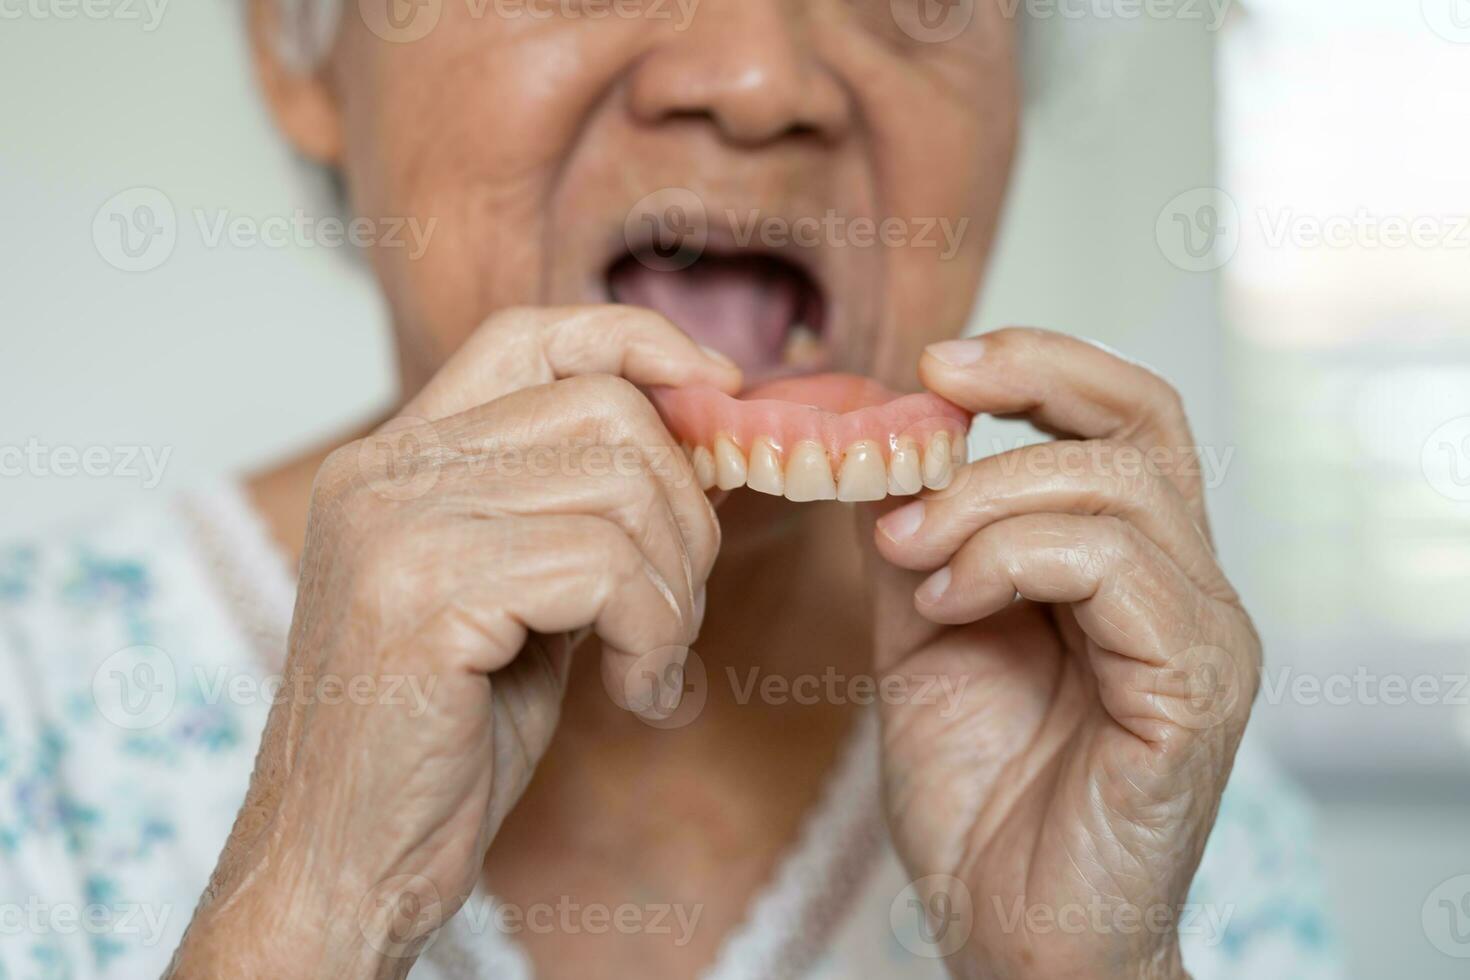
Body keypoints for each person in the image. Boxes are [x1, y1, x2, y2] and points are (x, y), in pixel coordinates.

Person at [0, 2, 1340, 977]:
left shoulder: (1150, 767)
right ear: (296, 52)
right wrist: (307, 913)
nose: (760, 77)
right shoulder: (38, 712)